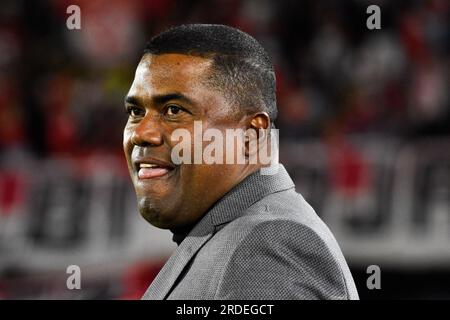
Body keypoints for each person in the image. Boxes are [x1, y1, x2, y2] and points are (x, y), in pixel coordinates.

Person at [123, 24, 358, 300]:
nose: (141, 133)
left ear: (251, 135)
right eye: (136, 111)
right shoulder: (233, 235)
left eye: (174, 110)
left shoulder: (269, 245)